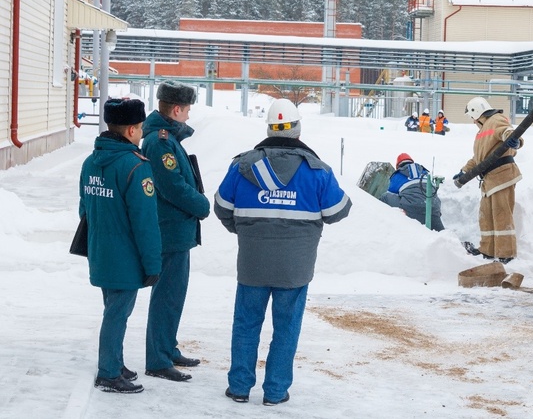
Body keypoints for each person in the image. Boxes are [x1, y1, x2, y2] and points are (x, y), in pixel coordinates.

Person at [214, 98, 352, 406]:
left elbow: (222, 207)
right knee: (286, 328)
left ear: (268, 129)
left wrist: (246, 232)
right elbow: (339, 210)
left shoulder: (243, 166)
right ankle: (275, 391)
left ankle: (239, 387)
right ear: (298, 131)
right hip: (295, 269)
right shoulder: (317, 171)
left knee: (246, 324)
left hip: (252, 264)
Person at [79, 98, 161, 394]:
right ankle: (109, 373)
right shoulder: (135, 166)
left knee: (113, 309)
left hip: (100, 252)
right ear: (130, 130)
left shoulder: (91, 162)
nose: (141, 133)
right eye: (139, 128)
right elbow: (146, 223)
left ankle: (115, 361)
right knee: (117, 314)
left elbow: (84, 209)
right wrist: (153, 264)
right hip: (126, 257)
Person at [141, 80, 210, 382]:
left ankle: (167, 348)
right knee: (166, 295)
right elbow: (172, 186)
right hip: (169, 230)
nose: (190, 115)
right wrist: (201, 205)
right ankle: (157, 359)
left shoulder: (168, 139)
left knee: (173, 294)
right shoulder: (160, 142)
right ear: (177, 109)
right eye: (188, 109)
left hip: (177, 230)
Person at [454, 97, 523, 264]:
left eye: (472, 116)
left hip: (501, 175)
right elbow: (479, 158)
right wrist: (463, 171)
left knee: (501, 215)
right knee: (486, 216)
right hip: (490, 180)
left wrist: (513, 140)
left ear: (476, 112)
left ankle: (506, 253)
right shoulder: (483, 130)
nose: (472, 121)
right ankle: (488, 250)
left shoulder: (495, 119)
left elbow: (507, 132)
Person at [381, 153, 445, 231]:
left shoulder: (397, 175)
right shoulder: (424, 172)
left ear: (398, 166)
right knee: (441, 233)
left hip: (412, 211)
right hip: (433, 210)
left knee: (385, 197)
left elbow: (390, 193)